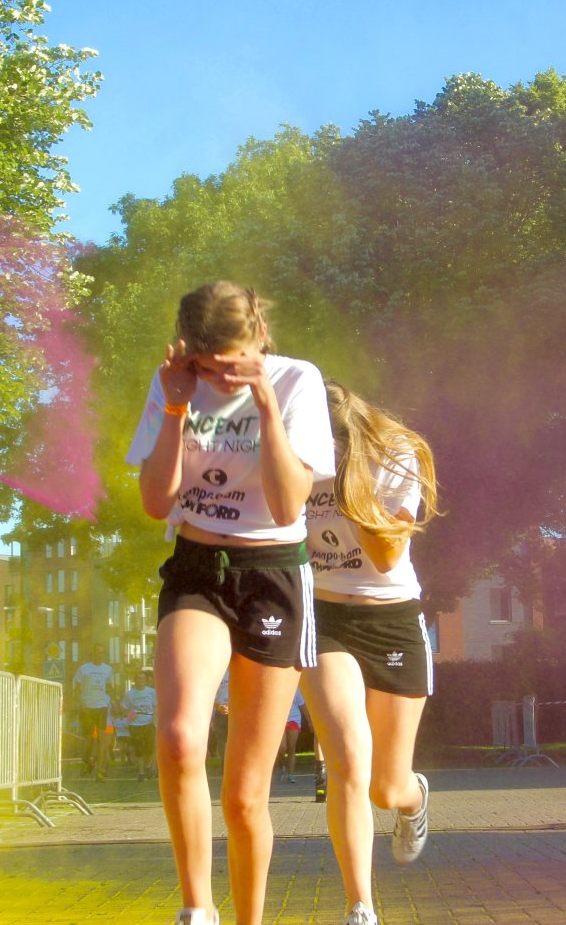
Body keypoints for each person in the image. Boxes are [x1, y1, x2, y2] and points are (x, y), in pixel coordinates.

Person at [126, 281, 335, 925]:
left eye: (233, 364)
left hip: (273, 574)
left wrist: (265, 403)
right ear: (188, 350)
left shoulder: (297, 380)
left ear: (260, 339)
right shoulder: (173, 384)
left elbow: (288, 503)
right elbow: (155, 503)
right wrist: (175, 407)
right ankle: (197, 909)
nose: (222, 379)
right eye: (209, 366)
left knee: (244, 796)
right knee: (179, 737)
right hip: (197, 569)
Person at [300, 380, 440, 925]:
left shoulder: (394, 452)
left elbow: (386, 556)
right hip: (325, 618)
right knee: (346, 760)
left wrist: (347, 481)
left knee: (385, 786)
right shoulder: (291, 454)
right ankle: (361, 907)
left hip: (392, 619)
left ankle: (414, 798)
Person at [71, 644, 113, 780]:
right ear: (93, 654)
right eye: (97, 653)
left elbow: (109, 687)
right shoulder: (84, 669)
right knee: (89, 740)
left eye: (102, 653)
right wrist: (80, 703)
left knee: (102, 741)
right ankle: (87, 760)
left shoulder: (108, 669)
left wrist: (114, 700)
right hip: (87, 708)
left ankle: (100, 771)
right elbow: (75, 689)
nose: (99, 655)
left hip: (102, 707)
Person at [123, 669, 158, 781]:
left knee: (150, 749)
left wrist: (154, 720)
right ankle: (141, 773)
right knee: (139, 750)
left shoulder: (152, 692)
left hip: (149, 723)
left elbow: (155, 707)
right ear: (135, 680)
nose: (141, 680)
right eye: (138, 678)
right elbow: (124, 709)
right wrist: (130, 717)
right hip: (135, 725)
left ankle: (148, 766)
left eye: (143, 678)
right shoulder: (129, 694)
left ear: (146, 680)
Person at [279, 687, 305, 784]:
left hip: (294, 719)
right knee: (282, 747)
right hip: (279, 720)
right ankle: (282, 764)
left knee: (291, 748)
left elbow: (302, 705)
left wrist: (310, 722)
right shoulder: (276, 686)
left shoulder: (296, 688)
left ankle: (290, 774)